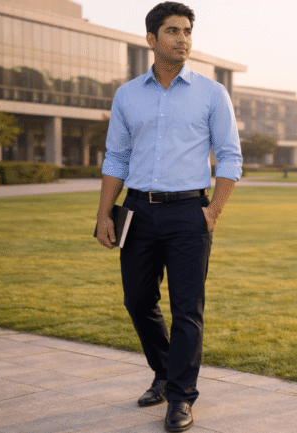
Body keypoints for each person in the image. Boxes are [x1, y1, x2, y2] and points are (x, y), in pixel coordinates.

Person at [95, 2, 242, 431]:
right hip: (137, 211)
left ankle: (180, 396)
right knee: (138, 301)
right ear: (151, 39)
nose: (183, 39)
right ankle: (164, 372)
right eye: (173, 31)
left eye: (187, 31)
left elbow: (230, 157)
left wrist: (213, 211)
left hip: (188, 213)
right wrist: (104, 215)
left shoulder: (212, 93)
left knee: (187, 310)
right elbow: (116, 157)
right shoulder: (127, 95)